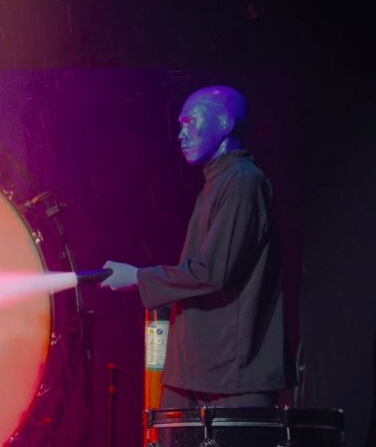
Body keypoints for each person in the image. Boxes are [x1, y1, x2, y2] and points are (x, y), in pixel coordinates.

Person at [101, 86, 287, 407]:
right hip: (198, 369)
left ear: (225, 123)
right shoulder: (217, 184)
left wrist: (138, 277)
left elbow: (213, 273)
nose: (181, 134)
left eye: (190, 122)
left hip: (231, 378)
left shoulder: (243, 181)